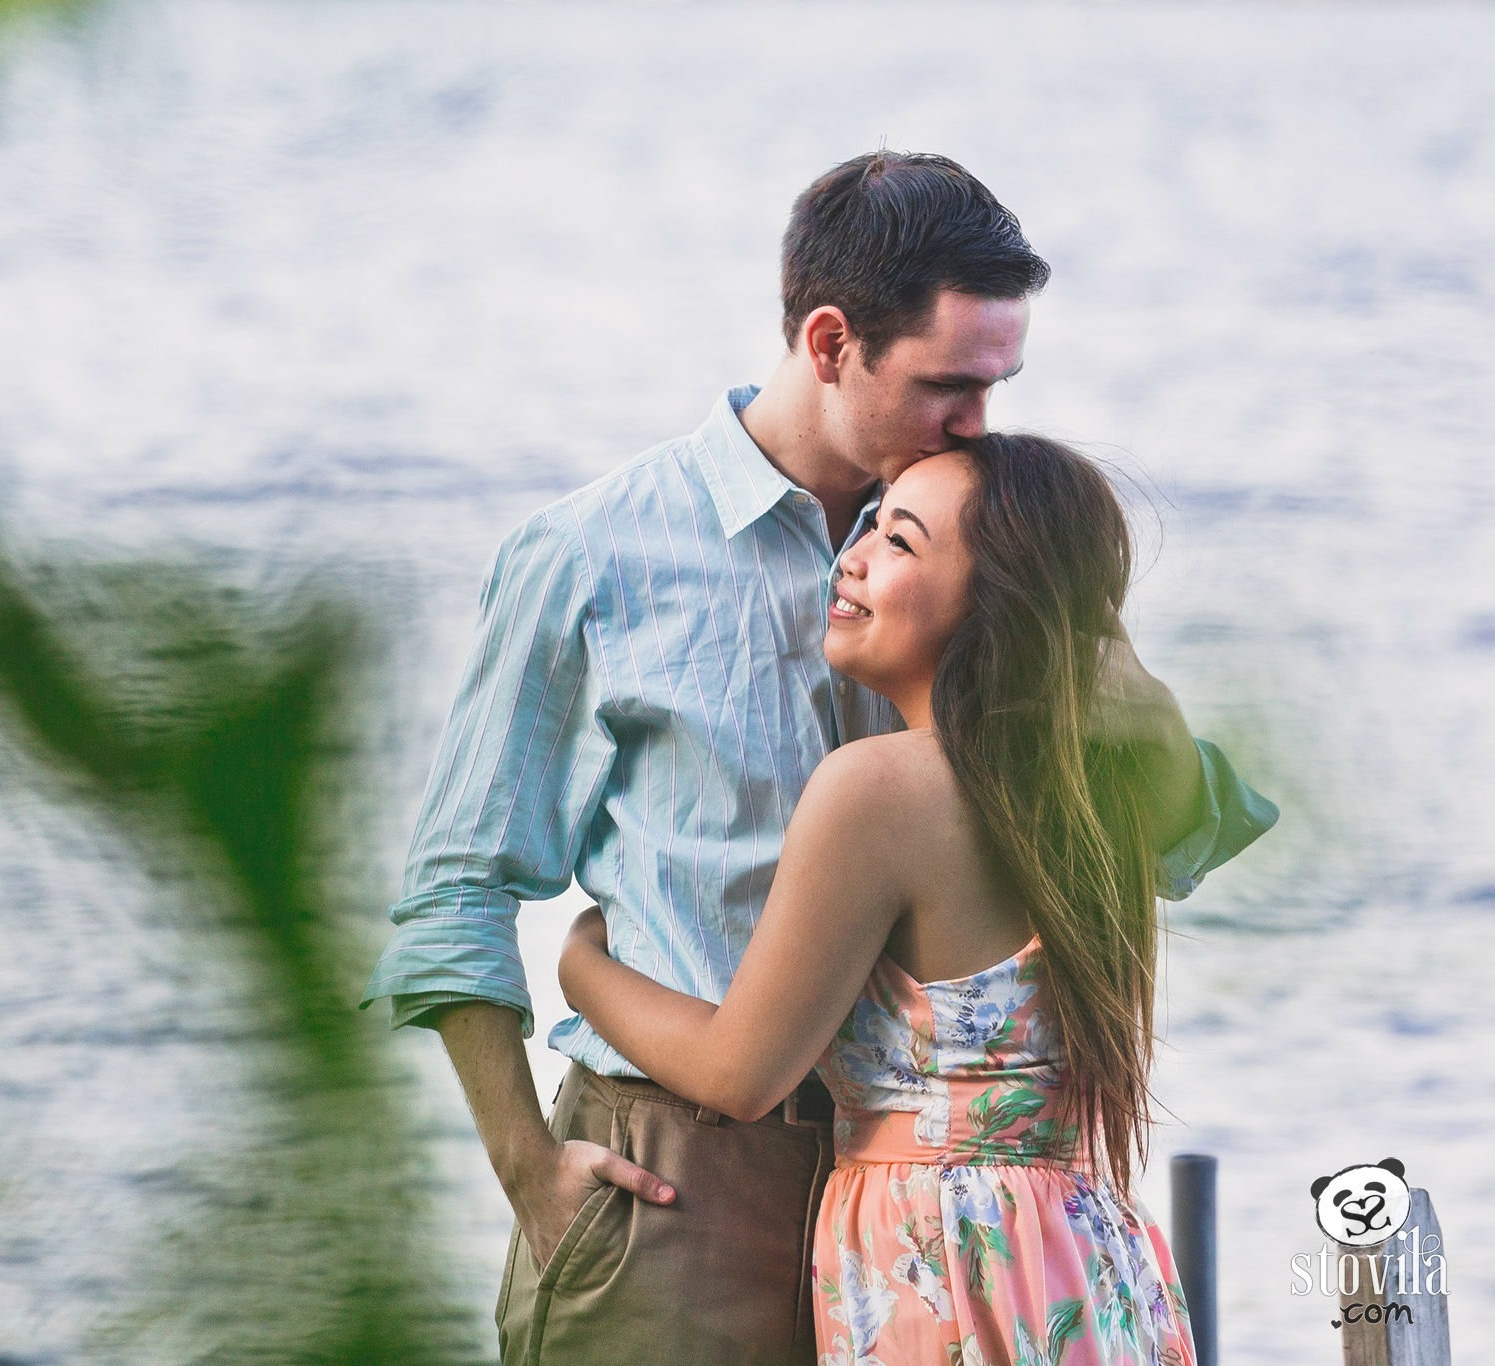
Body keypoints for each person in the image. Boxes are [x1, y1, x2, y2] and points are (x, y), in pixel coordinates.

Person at [359, 151, 1275, 1366]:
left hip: (933, 1202)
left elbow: (1161, 841)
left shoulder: (981, 540)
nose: (978, 423)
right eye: (949, 385)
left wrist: (1129, 695)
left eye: (998, 384)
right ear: (833, 341)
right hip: (678, 1180)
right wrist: (530, 1170)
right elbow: (455, 890)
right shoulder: (591, 555)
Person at [559, 433, 1235, 1364]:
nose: (855, 556)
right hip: (1090, 1264)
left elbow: (738, 1073)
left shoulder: (876, 789)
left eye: (901, 543)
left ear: (993, 610)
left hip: (949, 1270)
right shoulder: (1097, 794)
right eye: (870, 523)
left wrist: (579, 963)